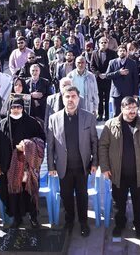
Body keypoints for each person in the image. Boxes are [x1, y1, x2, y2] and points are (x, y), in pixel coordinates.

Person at [99, 96, 140, 238]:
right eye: (129, 108)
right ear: (122, 108)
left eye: (135, 108)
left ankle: (139, 225)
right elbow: (103, 146)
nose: (132, 111)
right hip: (118, 172)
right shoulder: (110, 124)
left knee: (139, 201)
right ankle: (119, 224)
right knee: (118, 202)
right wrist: (105, 167)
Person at [47, 86, 98, 237]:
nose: (70, 99)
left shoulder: (88, 117)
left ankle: (83, 222)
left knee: (82, 195)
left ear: (78, 98)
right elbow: (50, 145)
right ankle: (69, 221)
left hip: (83, 166)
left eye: (73, 96)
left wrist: (95, 162)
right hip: (64, 166)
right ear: (63, 98)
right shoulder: (53, 118)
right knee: (66, 195)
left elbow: (94, 141)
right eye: (67, 96)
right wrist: (51, 166)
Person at [0, 98, 45, 229]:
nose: (16, 110)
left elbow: (41, 141)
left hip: (28, 167)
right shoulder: (2, 125)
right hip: (9, 168)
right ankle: (17, 218)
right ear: (9, 109)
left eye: (19, 107)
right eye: (13, 107)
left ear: (23, 108)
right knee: (13, 194)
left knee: (30, 193)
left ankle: (33, 217)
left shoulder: (32, 123)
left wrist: (27, 146)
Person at [106, 45, 139, 116]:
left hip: (128, 93)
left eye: (124, 51)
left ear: (127, 52)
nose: (122, 52)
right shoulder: (112, 62)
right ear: (117, 53)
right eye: (120, 51)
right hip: (116, 93)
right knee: (116, 114)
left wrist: (135, 93)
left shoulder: (132, 63)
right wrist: (119, 73)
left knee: (128, 113)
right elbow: (107, 75)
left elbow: (135, 79)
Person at [90, 37, 116, 121]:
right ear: (98, 44)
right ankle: (100, 114)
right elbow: (92, 66)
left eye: (105, 42)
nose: (103, 44)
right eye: (102, 42)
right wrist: (98, 74)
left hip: (108, 79)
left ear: (108, 44)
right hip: (98, 79)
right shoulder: (94, 53)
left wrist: (107, 74)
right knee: (99, 98)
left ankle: (107, 115)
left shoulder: (112, 53)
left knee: (108, 98)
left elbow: (114, 66)